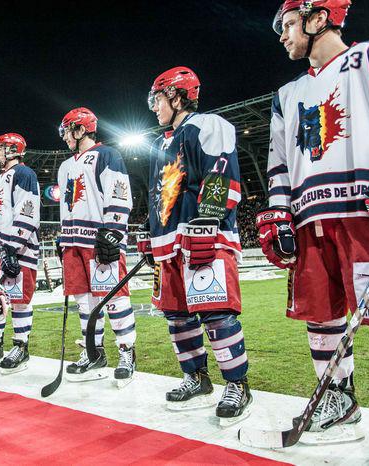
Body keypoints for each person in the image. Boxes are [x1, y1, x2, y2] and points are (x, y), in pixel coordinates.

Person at [259, 0, 369, 455]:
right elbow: (279, 163)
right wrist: (278, 212)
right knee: (320, 317)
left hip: (368, 213)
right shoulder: (287, 94)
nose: (283, 35)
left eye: (288, 24)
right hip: (309, 220)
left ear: (318, 18)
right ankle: (339, 402)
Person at [138, 66, 252, 425]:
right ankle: (196, 378)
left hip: (202, 237)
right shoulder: (161, 143)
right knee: (177, 316)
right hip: (168, 242)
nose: (155, 107)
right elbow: (159, 193)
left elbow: (220, 173)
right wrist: (150, 231)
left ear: (176, 96)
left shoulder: (208, 125)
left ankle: (237, 385)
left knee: (216, 313)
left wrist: (209, 221)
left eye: (158, 99)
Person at [56, 107, 137, 385]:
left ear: (81, 129)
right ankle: (94, 353)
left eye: (68, 130)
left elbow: (120, 195)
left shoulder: (107, 155)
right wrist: (63, 238)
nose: (65, 136)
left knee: (114, 298)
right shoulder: (65, 166)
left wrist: (113, 232)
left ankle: (127, 351)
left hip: (99, 241)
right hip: (73, 242)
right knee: (85, 301)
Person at [0, 133, 40, 373]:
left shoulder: (24, 173)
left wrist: (13, 246)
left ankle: (21, 346)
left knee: (19, 299)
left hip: (16, 249)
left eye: (0, 148)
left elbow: (28, 210)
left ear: (13, 150)